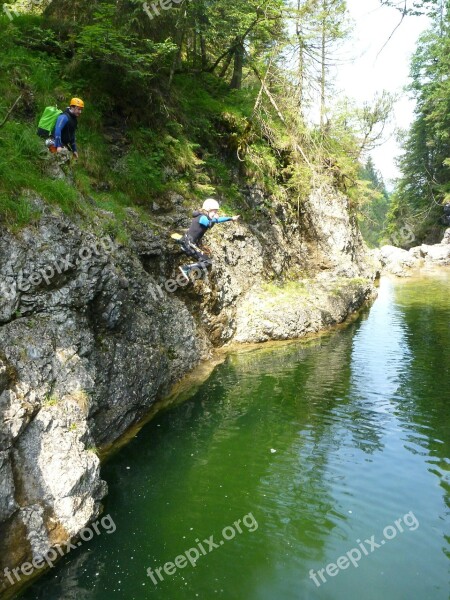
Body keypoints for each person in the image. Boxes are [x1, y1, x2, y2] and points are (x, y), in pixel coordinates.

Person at [178, 198, 240, 281]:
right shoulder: (203, 217)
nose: (215, 213)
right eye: (214, 212)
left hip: (188, 242)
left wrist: (231, 218)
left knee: (205, 259)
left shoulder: (203, 216)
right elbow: (209, 224)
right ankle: (186, 268)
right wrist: (215, 219)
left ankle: (185, 251)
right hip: (189, 244)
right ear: (208, 210)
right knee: (207, 262)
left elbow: (217, 220)